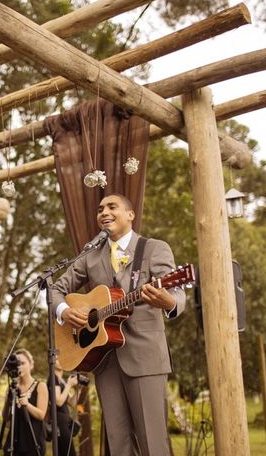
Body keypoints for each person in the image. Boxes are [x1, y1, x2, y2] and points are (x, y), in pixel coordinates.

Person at [52, 194, 186, 456]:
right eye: (100, 208)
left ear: (130, 214)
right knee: (118, 443)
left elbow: (177, 293)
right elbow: (56, 289)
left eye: (112, 207)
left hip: (145, 357)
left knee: (153, 443)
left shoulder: (153, 248)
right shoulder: (90, 256)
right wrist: (65, 311)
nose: (104, 212)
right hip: (104, 359)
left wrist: (167, 301)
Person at [3, 348, 48, 456]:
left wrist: (27, 404)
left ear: (31, 365)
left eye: (23, 363)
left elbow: (41, 415)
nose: (19, 366)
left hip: (33, 441)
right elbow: (5, 417)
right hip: (14, 442)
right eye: (17, 364)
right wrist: (8, 401)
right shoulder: (12, 388)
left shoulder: (40, 386)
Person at [52, 359, 80, 456]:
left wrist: (78, 389)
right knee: (68, 452)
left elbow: (71, 403)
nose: (60, 360)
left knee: (66, 452)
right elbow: (58, 402)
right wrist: (69, 384)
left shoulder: (61, 381)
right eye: (56, 359)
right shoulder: (53, 378)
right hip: (59, 421)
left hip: (64, 421)